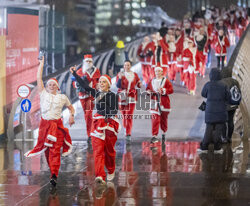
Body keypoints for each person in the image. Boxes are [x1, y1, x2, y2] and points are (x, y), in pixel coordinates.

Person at [25, 57, 75, 188]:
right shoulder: (43, 94)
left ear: (57, 87)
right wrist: (41, 64)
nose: (51, 86)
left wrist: (72, 116)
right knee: (47, 152)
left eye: (54, 85)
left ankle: (54, 175)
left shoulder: (62, 97)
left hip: (57, 126)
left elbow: (71, 107)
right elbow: (39, 79)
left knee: (54, 151)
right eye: (49, 85)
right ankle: (52, 170)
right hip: (44, 127)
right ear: (46, 87)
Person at [70, 66, 120, 187]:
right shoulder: (96, 93)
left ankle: (111, 169)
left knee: (109, 151)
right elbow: (85, 86)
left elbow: (114, 110)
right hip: (97, 124)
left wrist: (104, 113)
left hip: (109, 124)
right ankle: (100, 175)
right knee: (97, 151)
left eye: (104, 82)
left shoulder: (113, 95)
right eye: (100, 81)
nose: (101, 83)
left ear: (108, 84)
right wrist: (75, 74)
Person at [198, 68, 230, 153]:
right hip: (221, 110)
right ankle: (217, 147)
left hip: (210, 110)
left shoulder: (208, 85)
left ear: (211, 75)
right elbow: (228, 97)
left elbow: (203, 94)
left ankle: (204, 147)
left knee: (208, 129)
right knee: (218, 129)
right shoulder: (224, 85)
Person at [71, 54, 101, 144]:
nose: (88, 63)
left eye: (90, 61)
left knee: (88, 113)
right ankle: (91, 131)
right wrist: (77, 84)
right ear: (84, 62)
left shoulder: (96, 71)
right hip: (83, 96)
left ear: (92, 62)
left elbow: (99, 81)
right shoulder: (80, 71)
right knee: (87, 114)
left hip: (92, 95)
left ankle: (90, 134)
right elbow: (74, 83)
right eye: (87, 61)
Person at [116, 60, 142, 143]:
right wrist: (120, 79)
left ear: (130, 66)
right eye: (125, 65)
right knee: (124, 116)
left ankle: (128, 133)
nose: (127, 67)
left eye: (128, 65)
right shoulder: (120, 74)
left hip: (131, 97)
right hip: (122, 97)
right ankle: (125, 128)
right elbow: (118, 86)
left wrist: (140, 84)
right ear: (123, 66)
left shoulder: (135, 75)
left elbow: (138, 84)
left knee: (129, 115)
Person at [146, 67, 173, 143]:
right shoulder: (152, 81)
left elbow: (171, 90)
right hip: (154, 102)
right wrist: (148, 92)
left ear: (162, 72)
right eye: (156, 71)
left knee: (163, 119)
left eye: (159, 71)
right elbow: (147, 88)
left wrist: (163, 90)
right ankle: (154, 135)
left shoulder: (166, 81)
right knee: (155, 119)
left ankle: (164, 132)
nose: (157, 72)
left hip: (164, 102)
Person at [221, 68, 241, 143]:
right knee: (230, 120)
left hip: (225, 105)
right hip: (233, 104)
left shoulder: (222, 82)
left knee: (223, 121)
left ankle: (223, 137)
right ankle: (229, 137)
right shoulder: (235, 81)